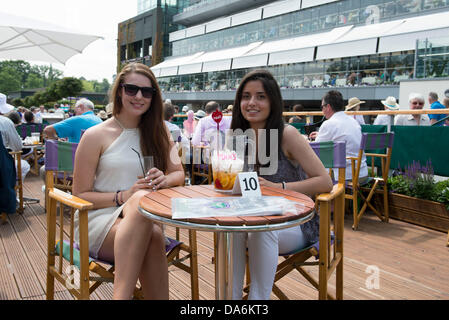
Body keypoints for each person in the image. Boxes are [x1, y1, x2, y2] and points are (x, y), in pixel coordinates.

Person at [72, 62, 184, 299]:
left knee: (152, 232)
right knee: (143, 204)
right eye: (132, 89)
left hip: (145, 222)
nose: (139, 96)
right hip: (98, 220)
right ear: (120, 91)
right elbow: (79, 195)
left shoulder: (162, 133)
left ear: (154, 97)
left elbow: (179, 174)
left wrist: (164, 178)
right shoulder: (95, 136)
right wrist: (125, 196)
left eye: (147, 91)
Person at [230, 69, 333, 300]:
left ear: (273, 101)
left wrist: (280, 187)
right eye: (246, 96)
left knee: (260, 229)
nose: (251, 102)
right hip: (251, 216)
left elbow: (325, 181)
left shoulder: (287, 134)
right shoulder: (239, 137)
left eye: (261, 96)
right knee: (231, 230)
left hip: (296, 222)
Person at [309, 90, 368, 180]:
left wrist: (304, 141)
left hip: (343, 176)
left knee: (309, 169)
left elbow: (316, 152)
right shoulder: (354, 122)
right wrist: (320, 135)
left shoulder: (329, 124)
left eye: (322, 107)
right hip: (362, 173)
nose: (322, 110)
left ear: (328, 107)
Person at [0, 113, 30, 183]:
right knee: (25, 166)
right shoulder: (5, 121)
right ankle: (12, 189)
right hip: (2, 165)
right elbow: (17, 147)